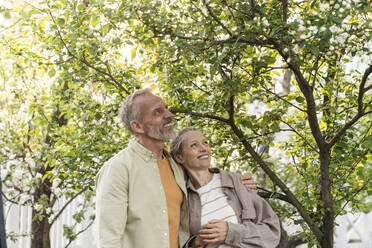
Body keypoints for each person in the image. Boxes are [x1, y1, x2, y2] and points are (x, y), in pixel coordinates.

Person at [95, 89, 256, 248]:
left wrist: (238, 184)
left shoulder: (176, 165)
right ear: (137, 126)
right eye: (158, 112)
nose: (169, 114)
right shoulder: (117, 169)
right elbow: (108, 238)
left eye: (166, 108)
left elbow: (206, 184)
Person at [170, 127, 281, 248]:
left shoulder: (237, 182)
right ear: (179, 157)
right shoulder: (182, 199)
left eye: (205, 142)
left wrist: (230, 232)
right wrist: (195, 243)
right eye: (194, 145)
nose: (203, 149)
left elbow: (272, 231)